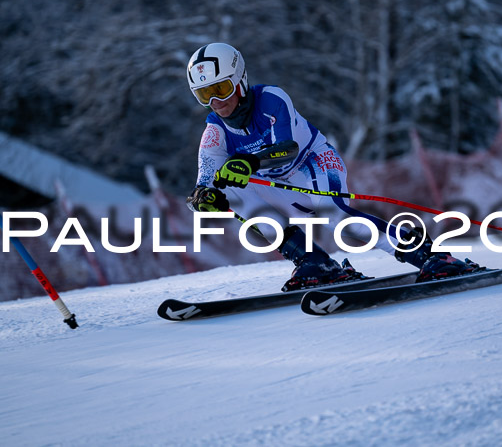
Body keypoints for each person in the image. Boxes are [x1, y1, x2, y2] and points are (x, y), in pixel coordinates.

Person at [185, 42, 481, 291]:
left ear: (240, 81)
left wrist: (249, 161)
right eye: (204, 95)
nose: (216, 102)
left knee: (339, 220)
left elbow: (288, 148)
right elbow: (206, 180)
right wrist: (205, 197)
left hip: (312, 164)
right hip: (278, 189)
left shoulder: (271, 99)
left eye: (221, 89)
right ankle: (314, 262)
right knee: (229, 191)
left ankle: (430, 256)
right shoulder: (214, 133)